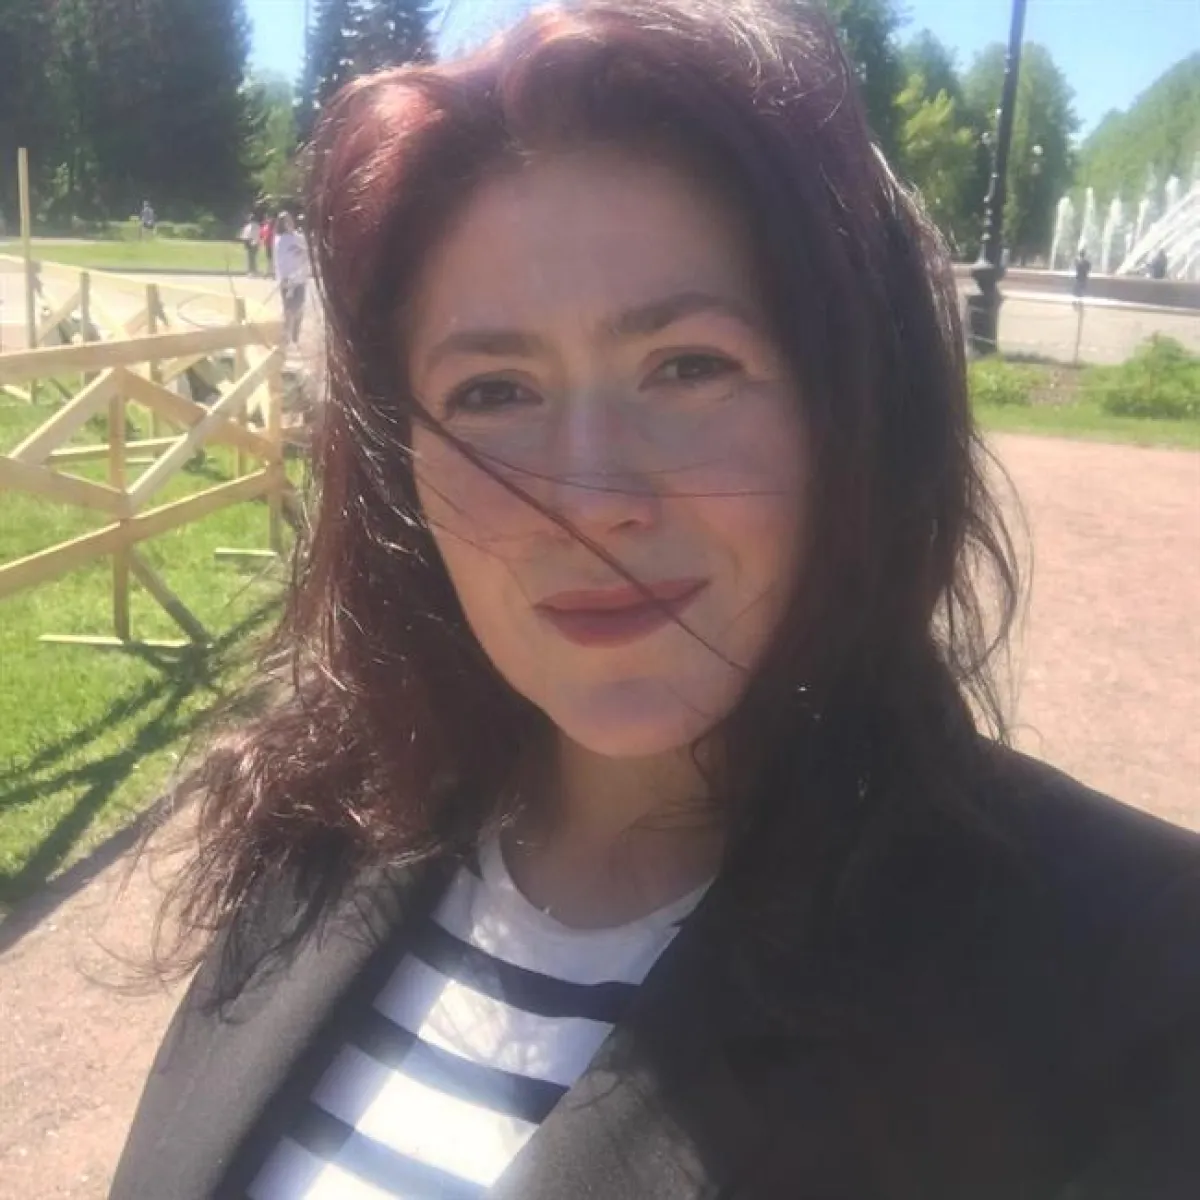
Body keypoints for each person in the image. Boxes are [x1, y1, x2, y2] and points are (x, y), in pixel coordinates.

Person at [112, 2, 1200, 1197]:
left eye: (689, 368)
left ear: (858, 412)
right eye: (493, 392)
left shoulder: (1136, 987)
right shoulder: (323, 823)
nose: (589, 500)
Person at [273, 211, 307, 345]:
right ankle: (286, 336)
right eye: (284, 221)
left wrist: (302, 252)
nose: (288, 223)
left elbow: (306, 252)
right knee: (288, 309)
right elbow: (280, 261)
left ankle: (295, 336)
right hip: (287, 281)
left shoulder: (298, 237)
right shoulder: (279, 240)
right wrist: (283, 277)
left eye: (289, 220)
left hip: (300, 279)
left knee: (299, 308)